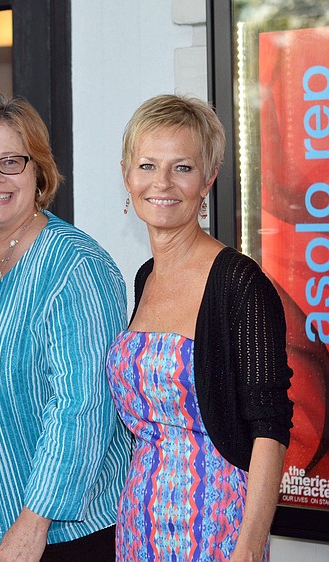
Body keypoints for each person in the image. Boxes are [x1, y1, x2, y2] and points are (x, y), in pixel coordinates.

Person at [0, 93, 132, 562]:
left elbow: (82, 405)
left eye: (11, 161)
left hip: (53, 535)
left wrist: (34, 521)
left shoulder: (76, 264)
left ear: (39, 171)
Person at [107, 93, 294, 560]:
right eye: (147, 165)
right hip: (138, 522)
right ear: (127, 174)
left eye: (183, 168)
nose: (162, 183)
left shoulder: (240, 283)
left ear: (208, 178)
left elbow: (270, 427)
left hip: (217, 526)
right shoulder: (145, 278)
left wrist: (250, 545)